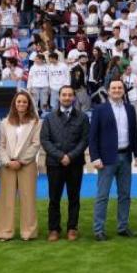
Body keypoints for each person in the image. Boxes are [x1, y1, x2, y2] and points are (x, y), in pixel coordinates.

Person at [88, 79, 137, 241]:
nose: (117, 90)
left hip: (126, 157)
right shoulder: (100, 110)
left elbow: (134, 133)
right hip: (106, 159)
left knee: (125, 195)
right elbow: (93, 136)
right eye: (114, 88)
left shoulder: (130, 109)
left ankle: (123, 227)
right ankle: (98, 230)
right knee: (102, 195)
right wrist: (95, 157)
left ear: (124, 90)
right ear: (108, 90)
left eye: (120, 88)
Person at [41, 86, 89, 242]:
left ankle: (72, 228)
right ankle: (54, 229)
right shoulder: (49, 118)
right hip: (54, 164)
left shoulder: (82, 117)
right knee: (54, 198)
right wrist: (61, 156)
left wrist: (71, 156)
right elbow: (45, 140)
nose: (67, 97)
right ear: (59, 97)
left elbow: (84, 140)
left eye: (70, 95)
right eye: (64, 95)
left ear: (74, 97)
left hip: (75, 164)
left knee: (74, 198)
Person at [0, 91, 42, 242]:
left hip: (26, 165)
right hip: (7, 166)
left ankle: (28, 232)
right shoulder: (4, 122)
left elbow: (36, 144)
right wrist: (7, 161)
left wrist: (21, 161)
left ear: (29, 105)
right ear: (14, 104)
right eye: (19, 102)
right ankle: (4, 232)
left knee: (28, 199)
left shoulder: (36, 122)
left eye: (24, 102)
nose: (21, 104)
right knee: (6, 199)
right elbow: (0, 145)